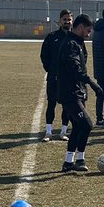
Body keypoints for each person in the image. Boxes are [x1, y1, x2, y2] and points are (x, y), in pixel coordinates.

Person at [56, 13, 102, 174]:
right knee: (87, 124)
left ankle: (68, 162)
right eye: (88, 30)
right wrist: (92, 83)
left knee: (77, 126)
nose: (89, 34)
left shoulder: (77, 42)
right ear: (81, 27)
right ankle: (80, 159)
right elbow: (74, 68)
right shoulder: (70, 44)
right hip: (70, 93)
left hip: (77, 91)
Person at [39, 8, 73, 141]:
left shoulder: (75, 37)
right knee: (51, 104)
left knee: (67, 106)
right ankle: (48, 132)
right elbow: (44, 55)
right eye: (64, 19)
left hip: (68, 79)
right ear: (60, 21)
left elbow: (83, 56)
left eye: (69, 19)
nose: (67, 22)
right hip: (54, 78)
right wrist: (50, 69)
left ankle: (63, 131)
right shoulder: (52, 37)